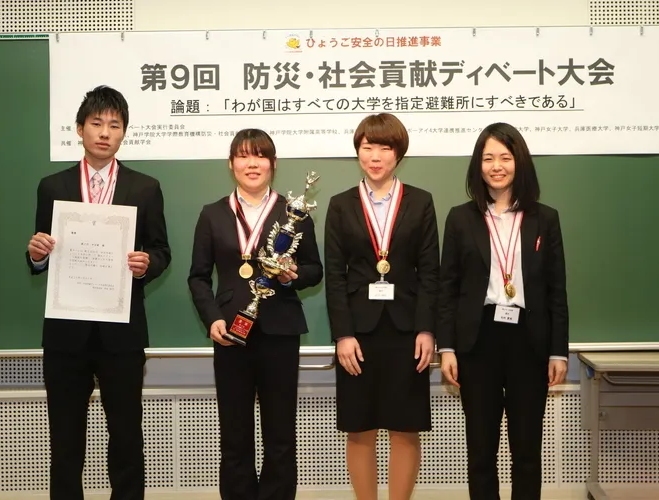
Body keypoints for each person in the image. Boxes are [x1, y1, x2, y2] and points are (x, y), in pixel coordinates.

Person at [26, 85, 171, 500]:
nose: (105, 132)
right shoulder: (52, 186)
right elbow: (41, 252)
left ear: (124, 132)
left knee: (125, 437)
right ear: (80, 129)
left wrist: (147, 263)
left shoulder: (145, 187)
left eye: (115, 125)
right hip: (65, 334)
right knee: (65, 440)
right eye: (96, 123)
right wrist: (36, 255)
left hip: (121, 334)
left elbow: (161, 251)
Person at [188, 128, 323, 500]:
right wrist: (212, 318)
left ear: (273, 164)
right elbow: (198, 277)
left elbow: (314, 270)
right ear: (231, 163)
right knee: (234, 434)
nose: (252, 163)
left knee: (280, 434)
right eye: (244, 155)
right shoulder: (213, 214)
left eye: (260, 156)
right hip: (230, 332)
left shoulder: (293, 212)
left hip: (280, 331)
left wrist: (294, 274)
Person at [437, 122, 569, 500]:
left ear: (519, 162)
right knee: (481, 451)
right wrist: (447, 347)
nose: (497, 166)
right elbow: (448, 289)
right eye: (488, 158)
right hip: (478, 339)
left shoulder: (545, 218)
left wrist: (558, 351)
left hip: (529, 339)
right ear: (477, 166)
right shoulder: (460, 218)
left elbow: (556, 291)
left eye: (505, 157)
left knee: (526, 450)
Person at [324, 113, 440, 500]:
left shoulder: (420, 202)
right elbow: (335, 276)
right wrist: (342, 335)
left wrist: (427, 329)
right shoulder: (341, 205)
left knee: (405, 427)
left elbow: (430, 272)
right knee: (360, 427)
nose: (375, 156)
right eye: (367, 147)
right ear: (358, 151)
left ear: (398, 154)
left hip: (408, 331)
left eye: (385, 148)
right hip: (358, 333)